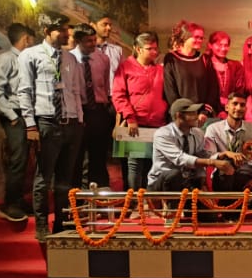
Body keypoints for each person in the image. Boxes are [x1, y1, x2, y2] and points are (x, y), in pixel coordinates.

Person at [16, 11, 84, 240]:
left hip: (71, 123)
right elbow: (24, 91)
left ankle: (62, 223)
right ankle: (42, 224)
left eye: (67, 29)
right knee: (44, 177)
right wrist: (30, 125)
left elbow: (75, 91)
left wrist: (79, 120)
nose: (66, 34)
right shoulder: (30, 55)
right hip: (47, 122)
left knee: (65, 178)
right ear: (47, 31)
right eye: (61, 30)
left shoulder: (70, 58)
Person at [0, 23, 35, 222]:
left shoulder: (27, 59)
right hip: (15, 114)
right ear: (26, 39)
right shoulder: (6, 58)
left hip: (27, 113)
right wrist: (12, 116)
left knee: (25, 159)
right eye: (32, 40)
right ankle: (10, 204)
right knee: (18, 158)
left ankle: (18, 199)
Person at [112, 32, 167, 191]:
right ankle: (135, 200)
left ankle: (148, 199)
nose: (154, 52)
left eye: (156, 48)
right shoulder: (126, 67)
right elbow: (118, 95)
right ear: (138, 49)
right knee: (135, 163)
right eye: (150, 48)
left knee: (151, 163)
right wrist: (130, 118)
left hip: (157, 123)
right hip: (135, 123)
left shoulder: (160, 70)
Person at [148, 98, 234, 192]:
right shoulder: (163, 134)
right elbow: (180, 159)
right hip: (162, 182)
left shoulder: (198, 133)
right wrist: (212, 162)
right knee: (174, 175)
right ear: (179, 115)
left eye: (196, 113)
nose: (197, 117)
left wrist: (221, 155)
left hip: (187, 182)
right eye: (192, 113)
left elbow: (201, 155)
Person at [70, 23, 113, 189]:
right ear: (78, 41)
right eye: (88, 41)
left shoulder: (103, 59)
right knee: (77, 155)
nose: (93, 44)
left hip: (98, 110)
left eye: (94, 40)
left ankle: (99, 191)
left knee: (99, 154)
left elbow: (106, 85)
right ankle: (76, 194)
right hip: (78, 110)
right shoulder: (69, 59)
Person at [202, 93, 252, 192]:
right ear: (227, 107)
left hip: (246, 175)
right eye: (235, 104)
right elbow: (207, 156)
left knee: (243, 180)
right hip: (222, 174)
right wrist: (225, 154)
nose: (239, 108)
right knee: (226, 170)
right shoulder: (213, 129)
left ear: (246, 109)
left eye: (242, 105)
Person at [163, 20, 219, 125]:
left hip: (201, 117)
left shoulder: (205, 59)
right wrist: (182, 112)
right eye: (196, 37)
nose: (200, 40)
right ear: (185, 37)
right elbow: (170, 89)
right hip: (180, 116)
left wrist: (204, 112)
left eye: (201, 38)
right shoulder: (171, 59)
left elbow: (213, 88)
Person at [207, 31, 244, 119]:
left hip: (231, 111)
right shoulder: (205, 64)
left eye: (226, 45)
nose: (223, 48)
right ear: (210, 45)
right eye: (219, 45)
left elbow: (239, 90)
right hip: (208, 111)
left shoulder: (235, 66)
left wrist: (229, 106)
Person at [90, 13, 122, 85]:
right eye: (105, 24)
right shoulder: (83, 50)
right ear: (92, 25)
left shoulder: (117, 51)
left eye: (110, 25)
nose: (109, 28)